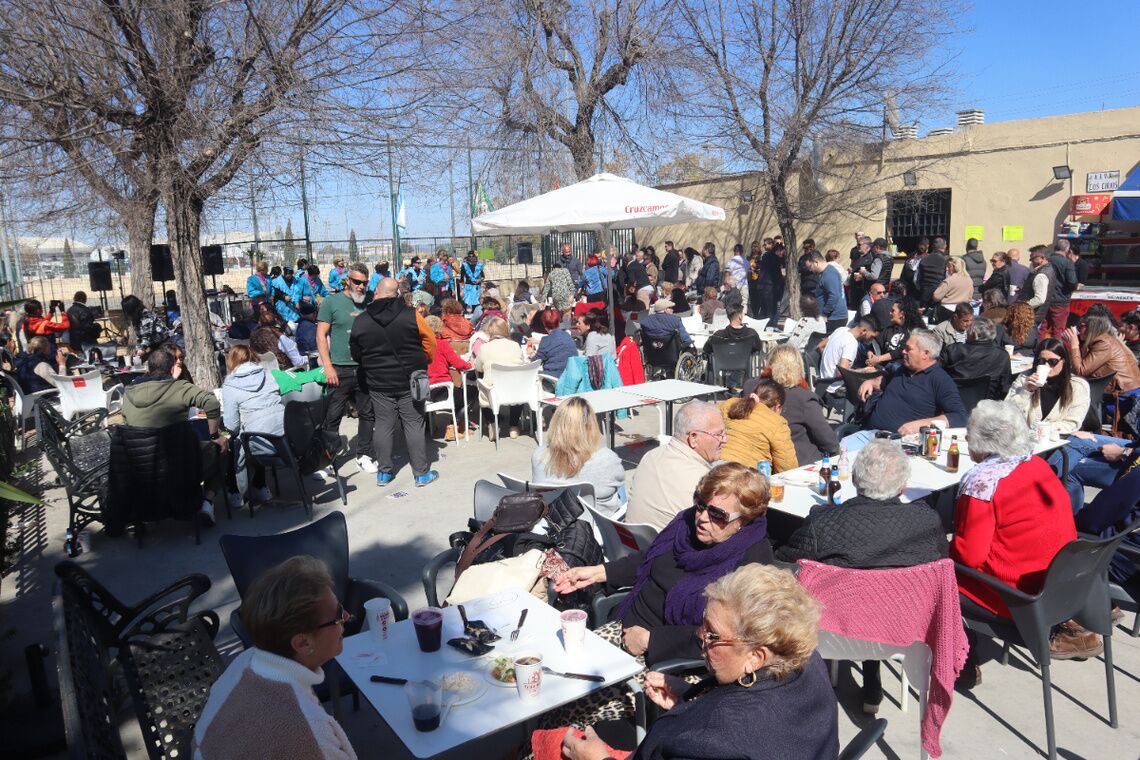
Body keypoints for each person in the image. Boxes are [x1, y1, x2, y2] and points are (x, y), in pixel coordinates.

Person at [559, 563, 837, 760]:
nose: (700, 638)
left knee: (554, 738)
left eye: (712, 634)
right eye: (702, 625)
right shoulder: (807, 662)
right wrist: (691, 699)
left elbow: (727, 732)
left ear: (755, 657)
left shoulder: (712, 742)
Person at [777, 439, 947, 712]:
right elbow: (940, 564)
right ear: (903, 485)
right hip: (904, 631)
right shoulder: (927, 522)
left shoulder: (823, 522)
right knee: (877, 595)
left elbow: (786, 560)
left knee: (858, 595)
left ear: (854, 479)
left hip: (834, 635)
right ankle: (872, 682)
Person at [556, 463, 774, 664]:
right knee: (558, 667)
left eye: (717, 514)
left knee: (578, 700)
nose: (703, 517)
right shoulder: (686, 523)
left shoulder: (753, 561)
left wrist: (651, 640)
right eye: (700, 505)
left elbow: (731, 637)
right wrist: (598, 572)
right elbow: (650, 559)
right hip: (623, 626)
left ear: (744, 520)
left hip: (672, 659)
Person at [950, 401, 1094, 683]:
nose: (966, 440)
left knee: (935, 575)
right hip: (1056, 585)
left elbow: (970, 557)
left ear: (982, 440)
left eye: (969, 434)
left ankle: (962, 660)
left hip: (1018, 595)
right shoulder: (1037, 464)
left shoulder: (983, 482)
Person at [194, 556, 358, 759]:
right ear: (303, 643)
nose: (347, 616)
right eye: (338, 614)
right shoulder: (309, 732)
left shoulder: (245, 661)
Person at [121, 347, 226, 525]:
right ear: (171, 369)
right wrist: (215, 435)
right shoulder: (178, 387)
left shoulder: (129, 392)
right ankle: (207, 503)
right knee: (221, 448)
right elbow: (211, 402)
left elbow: (126, 423)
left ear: (149, 368)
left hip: (143, 469)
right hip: (180, 468)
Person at [349, 277, 438, 487]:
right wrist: (423, 359)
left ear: (377, 293)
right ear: (396, 294)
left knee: (383, 425)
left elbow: (356, 352)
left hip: (378, 382)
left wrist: (372, 363)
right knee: (414, 423)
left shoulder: (361, 320)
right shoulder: (412, 315)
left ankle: (384, 473)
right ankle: (421, 474)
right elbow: (430, 342)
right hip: (412, 379)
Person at [315, 264, 376, 474]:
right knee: (332, 417)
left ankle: (364, 454)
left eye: (364, 283)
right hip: (338, 369)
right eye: (357, 282)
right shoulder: (332, 302)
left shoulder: (370, 303)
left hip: (364, 369)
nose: (361, 287)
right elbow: (321, 335)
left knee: (368, 414)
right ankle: (327, 460)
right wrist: (328, 366)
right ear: (347, 281)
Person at [627, 401, 725, 531]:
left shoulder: (651, 456)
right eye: (718, 434)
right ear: (694, 438)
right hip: (667, 548)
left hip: (630, 544)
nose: (725, 440)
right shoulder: (703, 481)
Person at [858, 330, 967, 435]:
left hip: (895, 444)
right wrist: (871, 382)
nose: (903, 351)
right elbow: (885, 379)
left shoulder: (940, 380)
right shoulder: (902, 369)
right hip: (868, 432)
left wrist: (920, 425)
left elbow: (960, 417)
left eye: (908, 349)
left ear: (925, 354)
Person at [531, 397, 626, 515]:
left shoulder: (539, 456)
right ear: (591, 425)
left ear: (556, 422)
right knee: (620, 487)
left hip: (554, 524)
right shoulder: (607, 458)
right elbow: (619, 479)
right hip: (599, 528)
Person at [221, 345, 282, 507]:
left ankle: (236, 490)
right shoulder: (268, 374)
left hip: (259, 443)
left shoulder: (229, 385)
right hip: (284, 438)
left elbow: (231, 426)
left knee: (233, 438)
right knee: (255, 428)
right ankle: (260, 486)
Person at [766, 344, 838, 463]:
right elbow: (829, 442)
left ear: (770, 364)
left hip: (765, 460)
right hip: (799, 462)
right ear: (798, 367)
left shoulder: (752, 388)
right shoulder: (803, 398)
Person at [718, 378, 797, 472]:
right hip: (744, 474)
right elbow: (787, 468)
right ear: (778, 407)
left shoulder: (729, 404)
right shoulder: (777, 422)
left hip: (714, 464)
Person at [473, 316, 527, 440]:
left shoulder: (484, 348)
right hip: (514, 390)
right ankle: (513, 426)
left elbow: (478, 368)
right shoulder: (515, 345)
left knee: (480, 386)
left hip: (494, 390)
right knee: (515, 384)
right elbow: (521, 362)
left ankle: (492, 422)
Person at [1063, 314, 1140, 396]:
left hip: (1125, 395)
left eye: (1081, 326)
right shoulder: (1103, 340)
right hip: (1122, 392)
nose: (1078, 330)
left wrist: (1074, 345)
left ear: (1092, 327)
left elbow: (1080, 370)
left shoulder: (1104, 344)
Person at [423, 315, 472, 442]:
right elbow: (459, 364)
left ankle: (429, 426)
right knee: (469, 394)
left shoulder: (417, 346)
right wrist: (470, 364)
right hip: (443, 389)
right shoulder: (441, 344)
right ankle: (455, 427)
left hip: (424, 391)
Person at [941, 317, 1013, 400]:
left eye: (967, 331)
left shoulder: (952, 350)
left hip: (953, 402)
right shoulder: (1002, 355)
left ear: (974, 335)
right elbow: (1005, 387)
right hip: (987, 405)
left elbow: (935, 375)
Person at [865, 297, 925, 369]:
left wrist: (878, 359)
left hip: (901, 367)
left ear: (901, 314)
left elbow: (901, 350)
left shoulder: (914, 331)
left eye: (893, 311)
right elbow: (875, 342)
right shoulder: (889, 329)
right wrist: (870, 353)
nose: (890, 313)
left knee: (894, 367)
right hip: (884, 367)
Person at [1041, 239, 1079, 340]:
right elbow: (1072, 282)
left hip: (1044, 299)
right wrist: (1075, 287)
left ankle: (1038, 349)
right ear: (1067, 250)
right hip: (1060, 300)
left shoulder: (1045, 260)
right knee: (1058, 330)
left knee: (1042, 328)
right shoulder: (1067, 263)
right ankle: (1057, 352)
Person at [803, 251, 847, 334]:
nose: (810, 270)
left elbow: (834, 296)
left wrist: (824, 313)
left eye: (810, 266)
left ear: (816, 262)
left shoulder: (829, 274)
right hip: (831, 317)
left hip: (834, 318)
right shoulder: (825, 273)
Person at [531, 308, 578, 378]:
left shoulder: (546, 341)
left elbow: (535, 364)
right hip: (571, 376)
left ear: (544, 323)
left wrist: (531, 354)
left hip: (554, 378)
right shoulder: (567, 335)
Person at [917, 237, 949, 308]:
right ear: (945, 246)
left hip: (924, 295)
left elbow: (916, 279)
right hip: (940, 296)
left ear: (932, 247)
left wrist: (922, 289)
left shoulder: (923, 259)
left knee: (924, 317)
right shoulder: (946, 261)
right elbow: (948, 279)